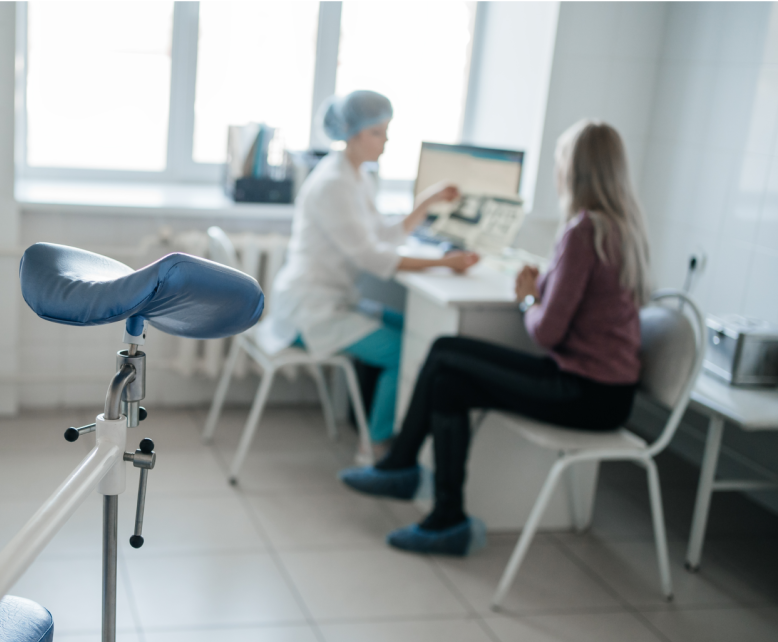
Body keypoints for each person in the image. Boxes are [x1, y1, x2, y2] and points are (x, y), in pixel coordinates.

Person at [339, 119, 652, 556]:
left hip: (583, 391)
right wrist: (546, 285)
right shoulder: (622, 229)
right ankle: (436, 506)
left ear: (574, 171)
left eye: (561, 163)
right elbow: (589, 303)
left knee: (446, 355)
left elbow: (547, 331)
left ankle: (407, 471)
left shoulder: (583, 231)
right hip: (608, 392)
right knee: (448, 375)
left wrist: (528, 298)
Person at [258, 90, 479, 447]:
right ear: (352, 132)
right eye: (378, 132)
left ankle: (386, 437)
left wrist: (426, 202)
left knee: (414, 329)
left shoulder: (356, 176)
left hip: (335, 300)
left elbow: (382, 235)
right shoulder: (333, 184)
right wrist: (444, 262)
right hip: (310, 311)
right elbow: (372, 258)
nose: (386, 140)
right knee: (404, 351)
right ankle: (379, 445)